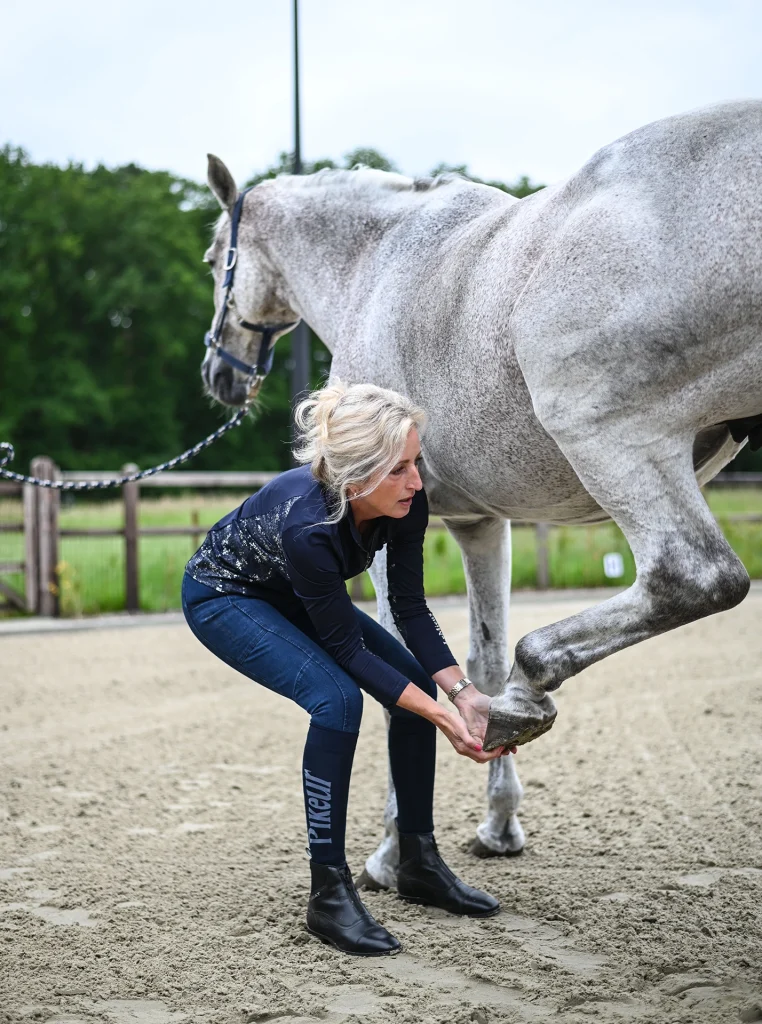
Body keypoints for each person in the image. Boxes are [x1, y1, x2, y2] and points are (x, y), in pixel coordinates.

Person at [181, 381, 512, 957]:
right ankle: (327, 895)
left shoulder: (407, 501)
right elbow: (349, 654)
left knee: (407, 689)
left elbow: (408, 606)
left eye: (416, 463)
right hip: (226, 596)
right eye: (400, 469)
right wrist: (439, 713)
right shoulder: (311, 526)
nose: (416, 480)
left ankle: (417, 861)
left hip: (294, 594)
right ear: (356, 477)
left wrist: (462, 694)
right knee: (338, 700)